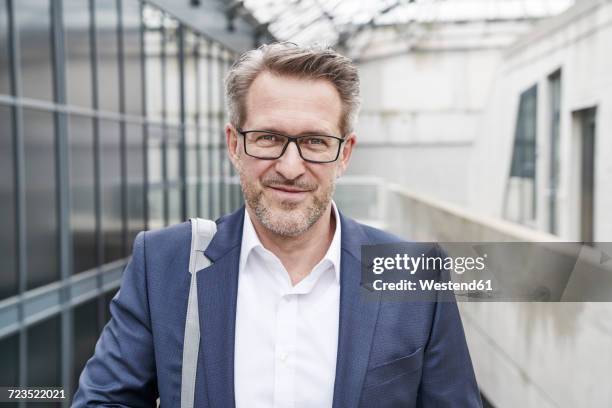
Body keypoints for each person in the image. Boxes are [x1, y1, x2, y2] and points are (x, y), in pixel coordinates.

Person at [72, 42, 482, 407]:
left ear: (345, 153)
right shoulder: (164, 263)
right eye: (268, 137)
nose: (290, 168)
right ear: (234, 144)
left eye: (315, 142)